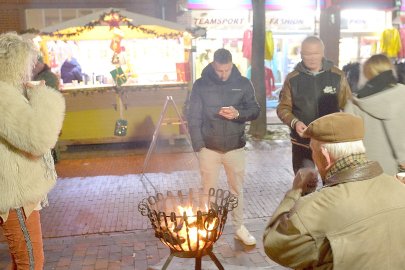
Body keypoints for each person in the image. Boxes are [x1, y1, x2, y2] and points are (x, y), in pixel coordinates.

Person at [263, 112, 405, 269]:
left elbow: (274, 244)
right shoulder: (399, 188)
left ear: (325, 155)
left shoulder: (317, 207)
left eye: (313, 150)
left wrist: (295, 192)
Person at [0, 32, 65, 269]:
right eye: (29, 62)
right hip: (14, 193)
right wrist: (43, 97)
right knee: (30, 262)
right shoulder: (3, 94)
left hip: (16, 190)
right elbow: (39, 138)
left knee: (24, 261)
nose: (32, 67)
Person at [188, 48, 260, 245]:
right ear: (213, 65)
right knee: (208, 190)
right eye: (219, 70)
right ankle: (207, 228)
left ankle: (239, 227)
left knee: (237, 189)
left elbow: (255, 110)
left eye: (226, 70)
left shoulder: (243, 83)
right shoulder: (200, 85)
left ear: (231, 65)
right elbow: (193, 116)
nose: (223, 74)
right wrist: (199, 146)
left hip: (235, 146)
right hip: (209, 148)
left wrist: (238, 114)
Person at [277, 36, 352, 175]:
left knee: (333, 187)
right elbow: (283, 108)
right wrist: (295, 122)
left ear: (323, 53)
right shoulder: (292, 78)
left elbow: (349, 106)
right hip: (302, 143)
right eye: (307, 54)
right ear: (301, 55)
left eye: (315, 53)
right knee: (305, 186)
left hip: (331, 143)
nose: (312, 58)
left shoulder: (337, 76)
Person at [344, 54, 405, 175]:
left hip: (366, 173)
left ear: (365, 73)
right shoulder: (402, 94)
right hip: (399, 172)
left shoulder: (354, 104)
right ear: (391, 70)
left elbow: (348, 144)